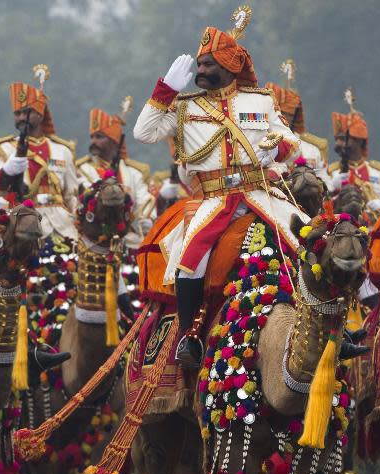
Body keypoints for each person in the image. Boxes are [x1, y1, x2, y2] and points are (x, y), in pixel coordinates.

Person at [133, 7, 305, 367]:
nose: (200, 72)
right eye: (199, 65)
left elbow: (292, 144)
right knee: (189, 262)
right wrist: (165, 90)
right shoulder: (183, 107)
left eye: (208, 64)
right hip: (214, 200)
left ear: (229, 66)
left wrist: (277, 146)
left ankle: (330, 328)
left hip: (261, 194)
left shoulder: (260, 100)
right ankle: (188, 338)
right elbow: (143, 133)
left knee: (310, 242)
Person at [0, 65, 80, 241]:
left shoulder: (62, 150)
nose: (22, 118)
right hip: (23, 228)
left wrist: (78, 223)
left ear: (41, 114)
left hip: (63, 227)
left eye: (26, 113)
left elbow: (71, 196)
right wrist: (10, 168)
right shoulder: (5, 149)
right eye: (17, 113)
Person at [76, 105, 155, 250]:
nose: (93, 141)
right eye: (92, 137)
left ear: (114, 141)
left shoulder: (133, 173)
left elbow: (145, 203)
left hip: (130, 242)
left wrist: (146, 219)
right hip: (92, 242)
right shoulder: (82, 170)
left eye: (99, 137)